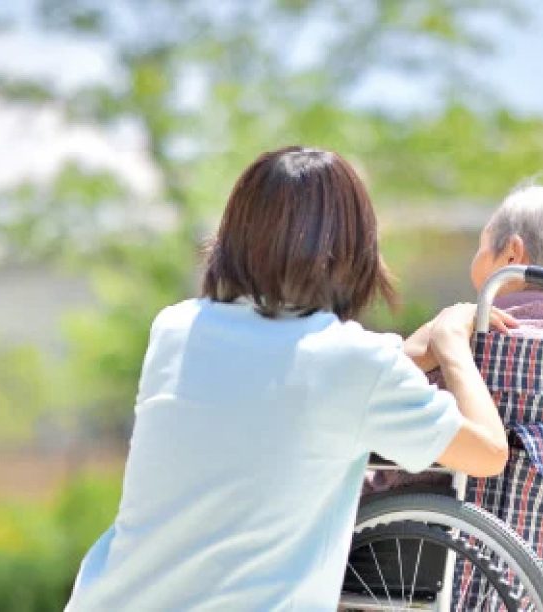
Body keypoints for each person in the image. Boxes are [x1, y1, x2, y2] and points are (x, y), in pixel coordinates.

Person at [64, 146, 517, 612]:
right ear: (352, 249)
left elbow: (285, 382)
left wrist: (398, 355)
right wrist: (451, 345)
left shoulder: (176, 329)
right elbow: (488, 452)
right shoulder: (352, 365)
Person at [364, 184, 543, 495]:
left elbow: (391, 405)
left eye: (481, 245)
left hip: (430, 520)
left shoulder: (479, 334)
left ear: (512, 252)